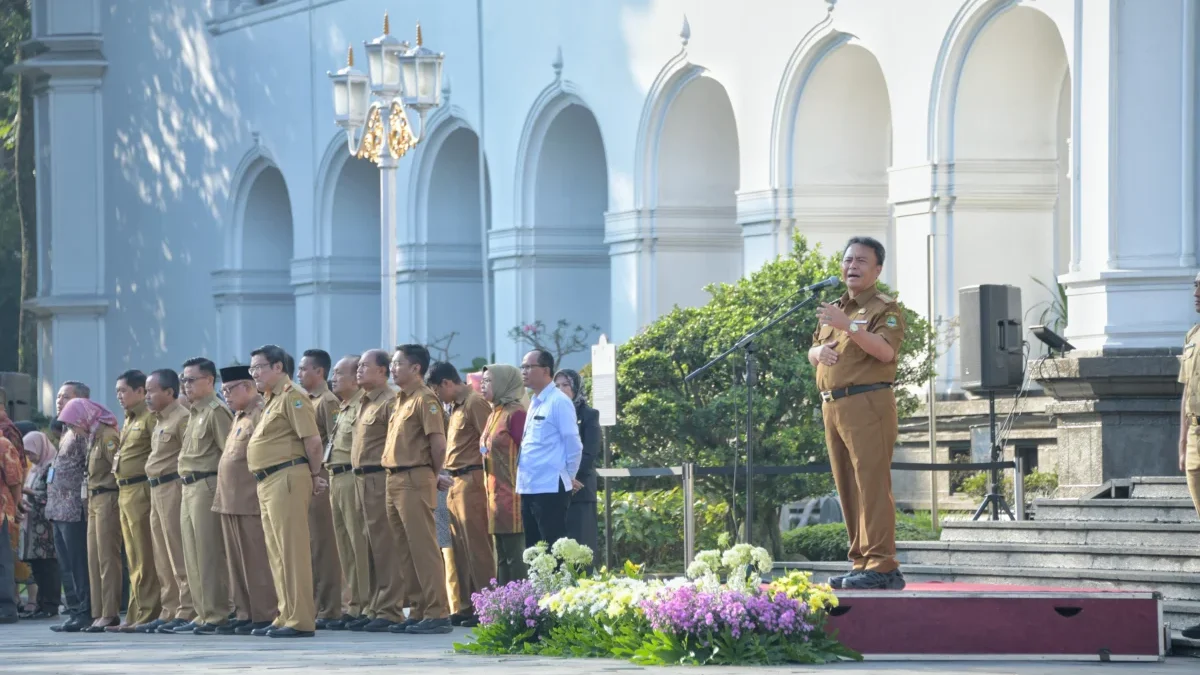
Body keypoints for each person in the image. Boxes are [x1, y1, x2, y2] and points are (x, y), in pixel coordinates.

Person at [808, 236, 906, 591]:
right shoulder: (836, 307)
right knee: (847, 486)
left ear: (877, 270)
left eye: (862, 261)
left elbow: (883, 352)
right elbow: (813, 351)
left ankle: (883, 564)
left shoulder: (885, 308)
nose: (852, 266)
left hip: (868, 404)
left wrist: (848, 326)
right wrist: (819, 353)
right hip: (833, 405)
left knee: (872, 485)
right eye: (848, 259)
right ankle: (861, 561)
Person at [246, 344, 327, 638]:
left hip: (287, 477)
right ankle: (286, 613)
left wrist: (315, 475)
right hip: (269, 481)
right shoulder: (270, 400)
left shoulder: (293, 397)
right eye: (252, 368)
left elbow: (313, 442)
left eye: (258, 367)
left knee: (292, 550)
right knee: (278, 552)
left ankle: (301, 619)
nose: (253, 373)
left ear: (278, 367)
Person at [381, 344, 452, 635]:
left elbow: (438, 445)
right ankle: (420, 610)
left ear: (416, 369)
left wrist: (432, 475)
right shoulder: (400, 400)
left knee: (423, 548)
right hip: (394, 478)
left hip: (415, 477)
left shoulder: (426, 400)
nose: (393, 368)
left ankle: (438, 613)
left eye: (398, 363)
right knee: (404, 549)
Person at [427, 361, 494, 626]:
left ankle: (487, 607)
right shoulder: (453, 407)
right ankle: (467, 606)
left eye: (436, 389)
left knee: (478, 547)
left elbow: (487, 442)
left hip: (471, 478)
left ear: (447, 383)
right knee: (460, 549)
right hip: (454, 481)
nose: (435, 396)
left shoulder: (474, 402)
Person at [213, 365, 278, 635]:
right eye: (224, 390)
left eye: (229, 389)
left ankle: (264, 613)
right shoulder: (238, 416)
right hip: (229, 499)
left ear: (248, 387)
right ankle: (245, 611)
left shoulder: (260, 413)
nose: (225, 395)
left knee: (256, 560)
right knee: (237, 563)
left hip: (249, 499)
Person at [351, 350, 407, 633]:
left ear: (383, 371)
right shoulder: (363, 402)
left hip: (378, 477)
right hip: (360, 480)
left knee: (385, 546)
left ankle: (390, 608)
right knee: (368, 546)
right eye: (358, 366)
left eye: (365, 366)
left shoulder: (389, 401)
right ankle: (373, 605)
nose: (358, 370)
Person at [178, 357, 235, 634]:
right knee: (191, 553)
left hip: (206, 485)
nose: (185, 385)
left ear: (209, 380)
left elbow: (230, 456)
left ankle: (216, 613)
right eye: (183, 380)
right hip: (187, 487)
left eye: (191, 379)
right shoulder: (194, 412)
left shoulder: (216, 411)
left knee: (208, 553)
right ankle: (201, 612)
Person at [58, 398, 123, 632]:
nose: (72, 429)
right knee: (94, 560)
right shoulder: (93, 437)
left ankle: (110, 612)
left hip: (108, 499)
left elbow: (118, 471)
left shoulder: (107, 436)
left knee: (107, 558)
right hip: (94, 500)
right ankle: (98, 612)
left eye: (72, 423)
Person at [140, 369, 196, 633]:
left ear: (169, 392)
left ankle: (187, 608)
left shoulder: (182, 419)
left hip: (173, 487)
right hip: (156, 489)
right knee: (162, 555)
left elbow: (188, 457)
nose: (147, 396)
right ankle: (169, 607)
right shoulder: (159, 419)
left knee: (177, 551)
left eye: (151, 391)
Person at [297, 349, 344, 629]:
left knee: (324, 545)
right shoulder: (305, 400)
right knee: (312, 544)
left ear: (319, 372)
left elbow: (332, 438)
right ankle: (317, 604)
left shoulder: (327, 401)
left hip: (321, 475)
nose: (300, 374)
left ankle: (330, 606)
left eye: (304, 369)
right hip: (308, 476)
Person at [516, 349, 583, 549]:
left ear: (546, 370)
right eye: (523, 367)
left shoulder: (559, 401)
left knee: (555, 549)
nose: (524, 371)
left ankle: (560, 582)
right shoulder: (535, 402)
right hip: (529, 485)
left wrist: (568, 476)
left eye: (529, 367)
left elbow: (573, 443)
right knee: (534, 550)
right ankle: (537, 583)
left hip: (550, 486)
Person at [326, 355, 371, 628]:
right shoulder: (344, 407)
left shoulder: (361, 406)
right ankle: (354, 604)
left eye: (339, 373)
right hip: (335, 477)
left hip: (352, 477)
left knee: (359, 544)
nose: (334, 377)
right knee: (345, 547)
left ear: (355, 377)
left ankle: (366, 604)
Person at [46, 382, 93, 632]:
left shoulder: (83, 432)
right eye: (58, 396)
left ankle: (85, 611)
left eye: (66, 397)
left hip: (74, 509)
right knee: (66, 565)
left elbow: (91, 468)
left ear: (81, 402)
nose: (59, 401)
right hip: (58, 509)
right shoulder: (66, 432)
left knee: (78, 563)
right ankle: (75, 610)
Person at [478, 365, 527, 583]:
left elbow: (527, 453)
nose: (482, 385)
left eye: (489, 381)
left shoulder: (516, 414)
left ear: (504, 383)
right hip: (494, 496)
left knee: (515, 556)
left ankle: (519, 609)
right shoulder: (493, 414)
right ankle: (501, 609)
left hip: (514, 496)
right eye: (483, 380)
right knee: (502, 556)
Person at [1175, 271, 1200, 640]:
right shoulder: (1192, 336)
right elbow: (1184, 395)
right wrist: (1181, 443)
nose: (1196, 293)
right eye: (1195, 286)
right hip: (1196, 436)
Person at [554, 369, 601, 565]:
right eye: (556, 386)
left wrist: (571, 477)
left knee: (581, 547)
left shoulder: (588, 415)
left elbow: (589, 452)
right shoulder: (552, 413)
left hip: (579, 488)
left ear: (575, 387)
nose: (561, 390)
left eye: (565, 385)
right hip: (556, 488)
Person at [18, 429, 60, 620]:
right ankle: (40, 604)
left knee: (48, 567)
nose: (29, 457)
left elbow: (51, 495)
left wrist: (27, 492)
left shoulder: (51, 466)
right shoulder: (34, 469)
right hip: (32, 525)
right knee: (36, 567)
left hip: (45, 526)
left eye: (31, 452)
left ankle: (50, 605)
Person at [0, 418, 24, 624]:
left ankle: (6, 608)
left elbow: (15, 481)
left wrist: (15, 507)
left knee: (2, 561)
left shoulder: (3, 444)